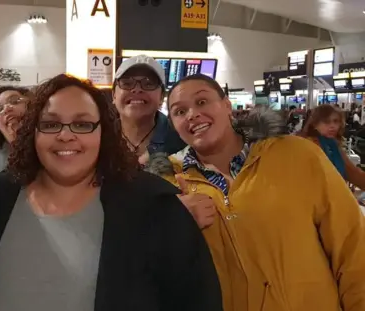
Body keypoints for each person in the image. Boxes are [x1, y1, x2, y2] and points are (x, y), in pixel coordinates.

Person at [0, 74, 222, 311]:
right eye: (50, 124)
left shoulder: (155, 208)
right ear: (33, 133)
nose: (65, 135)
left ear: (103, 132)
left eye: (82, 124)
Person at [148, 74, 365, 311]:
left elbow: (352, 246)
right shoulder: (167, 186)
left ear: (227, 105)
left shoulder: (297, 154)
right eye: (180, 111)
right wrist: (174, 224)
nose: (192, 114)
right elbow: (154, 276)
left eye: (202, 102)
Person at [112, 55, 186, 165]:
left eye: (148, 84)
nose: (137, 89)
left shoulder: (181, 140)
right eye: (127, 83)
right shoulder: (97, 137)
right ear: (114, 95)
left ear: (161, 97)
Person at [300, 104, 365, 189]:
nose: (332, 126)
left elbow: (352, 173)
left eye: (336, 121)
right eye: (326, 122)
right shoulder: (308, 145)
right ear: (315, 124)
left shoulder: (333, 145)